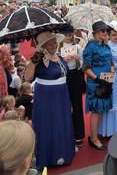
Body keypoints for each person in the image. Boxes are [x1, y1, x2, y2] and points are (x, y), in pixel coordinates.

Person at [24, 31, 75, 169]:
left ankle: (63, 154)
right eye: (50, 43)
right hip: (46, 98)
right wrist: (34, 61)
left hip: (62, 96)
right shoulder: (39, 59)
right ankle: (48, 157)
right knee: (47, 125)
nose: (54, 45)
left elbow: (64, 80)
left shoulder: (59, 57)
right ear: (43, 46)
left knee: (62, 124)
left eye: (54, 42)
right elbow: (27, 78)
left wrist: (68, 101)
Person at [82, 21, 114, 150]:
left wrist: (111, 75)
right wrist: (98, 79)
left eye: (106, 31)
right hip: (95, 82)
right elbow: (86, 67)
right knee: (96, 111)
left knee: (101, 111)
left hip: (107, 80)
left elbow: (111, 62)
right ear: (95, 33)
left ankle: (95, 135)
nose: (105, 33)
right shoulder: (90, 46)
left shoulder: (106, 46)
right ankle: (93, 138)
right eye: (102, 31)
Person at [60, 24, 85, 148]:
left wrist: (77, 58)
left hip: (75, 76)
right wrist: (62, 60)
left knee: (77, 105)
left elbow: (83, 65)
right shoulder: (58, 47)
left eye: (70, 35)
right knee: (63, 105)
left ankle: (78, 135)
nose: (68, 37)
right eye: (65, 35)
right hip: (62, 77)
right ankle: (64, 133)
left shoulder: (77, 47)